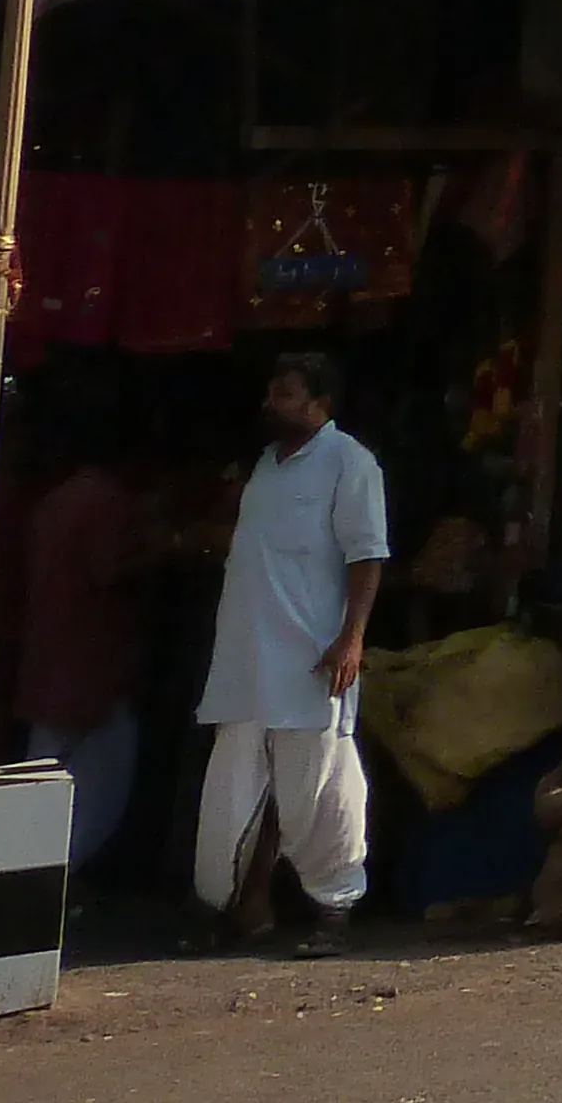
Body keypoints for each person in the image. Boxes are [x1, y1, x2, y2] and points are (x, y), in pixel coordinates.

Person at [192, 351, 386, 959]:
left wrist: (352, 636)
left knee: (321, 786)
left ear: (321, 402)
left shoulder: (349, 462)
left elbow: (368, 556)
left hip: (312, 659)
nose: (272, 405)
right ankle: (239, 911)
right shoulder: (266, 466)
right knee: (235, 790)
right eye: (272, 393)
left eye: (286, 394)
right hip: (247, 658)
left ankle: (334, 911)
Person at [16, 418, 156, 878]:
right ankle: (53, 875)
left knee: (46, 773)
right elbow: (107, 568)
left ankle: (34, 870)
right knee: (95, 786)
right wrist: (154, 549)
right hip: (90, 665)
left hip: (52, 655)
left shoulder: (57, 499)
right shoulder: (104, 502)